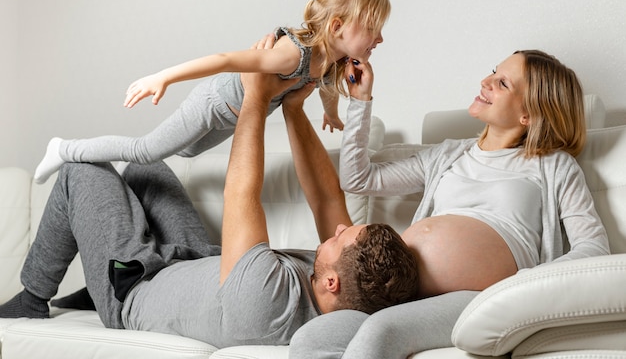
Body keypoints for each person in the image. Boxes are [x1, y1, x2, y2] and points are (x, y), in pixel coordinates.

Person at [0, 56, 421, 348]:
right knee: (147, 169)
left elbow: (241, 191)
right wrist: (294, 107)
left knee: (81, 169)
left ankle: (33, 299)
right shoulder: (346, 287)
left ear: (333, 284)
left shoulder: (266, 301)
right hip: (194, 262)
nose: (340, 229)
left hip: (136, 290)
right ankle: (91, 280)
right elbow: (327, 196)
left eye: (343, 238)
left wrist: (256, 94)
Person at [289, 49, 610, 359]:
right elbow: (359, 180)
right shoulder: (449, 154)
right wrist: (361, 100)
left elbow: (593, 246)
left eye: (502, 83)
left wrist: (525, 286)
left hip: (483, 299)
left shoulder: (554, 166)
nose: (486, 80)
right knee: (312, 339)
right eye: (494, 71)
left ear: (529, 113)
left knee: (381, 333)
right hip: (400, 295)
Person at [33, 0, 390, 184]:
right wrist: (164, 77)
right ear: (338, 26)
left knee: (186, 153)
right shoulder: (292, 53)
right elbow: (224, 60)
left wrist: (331, 113)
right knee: (145, 151)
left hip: (230, 120)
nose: (380, 38)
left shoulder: (333, 63)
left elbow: (325, 85)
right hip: (213, 104)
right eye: (373, 28)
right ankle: (64, 149)